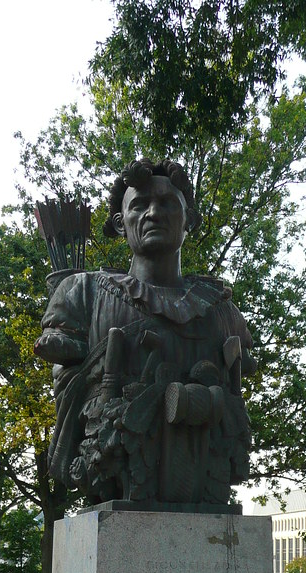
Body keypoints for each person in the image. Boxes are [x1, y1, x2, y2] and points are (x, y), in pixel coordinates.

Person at [33, 158, 256, 506]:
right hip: (114, 478)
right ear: (120, 223)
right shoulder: (83, 294)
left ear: (189, 221)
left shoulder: (222, 311)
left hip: (204, 480)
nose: (153, 213)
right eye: (139, 205)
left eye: (167, 203)